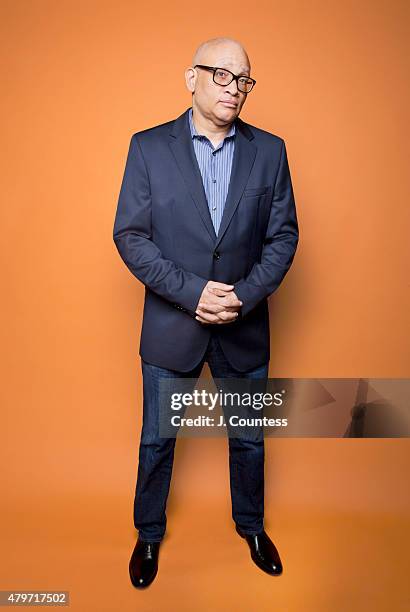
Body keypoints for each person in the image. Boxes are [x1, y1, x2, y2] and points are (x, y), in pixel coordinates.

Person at [113, 36, 299, 588]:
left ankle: (252, 526)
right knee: (157, 438)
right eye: (221, 74)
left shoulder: (271, 151)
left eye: (243, 79)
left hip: (245, 325)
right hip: (174, 324)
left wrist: (243, 294)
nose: (233, 88)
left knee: (249, 437)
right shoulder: (148, 148)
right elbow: (131, 235)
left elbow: (284, 236)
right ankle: (148, 534)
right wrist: (193, 292)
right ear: (190, 78)